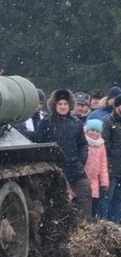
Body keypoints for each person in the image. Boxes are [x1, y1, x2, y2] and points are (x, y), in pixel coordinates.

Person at [34, 89, 91, 221]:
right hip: (55, 168)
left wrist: (81, 162)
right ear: (55, 105)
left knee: (85, 194)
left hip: (75, 167)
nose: (63, 107)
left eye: (65, 104)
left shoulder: (76, 123)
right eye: (60, 104)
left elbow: (83, 144)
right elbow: (40, 144)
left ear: (69, 105)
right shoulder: (46, 122)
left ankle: (85, 225)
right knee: (58, 202)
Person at [84, 118, 110, 219]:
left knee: (93, 207)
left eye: (97, 131)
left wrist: (104, 184)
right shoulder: (83, 142)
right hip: (82, 178)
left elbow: (103, 165)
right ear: (87, 131)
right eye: (92, 130)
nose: (94, 133)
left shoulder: (101, 145)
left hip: (94, 181)